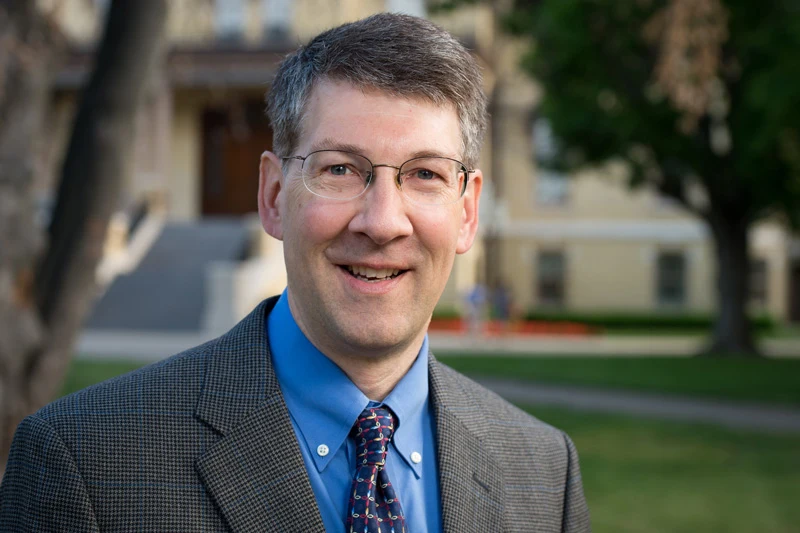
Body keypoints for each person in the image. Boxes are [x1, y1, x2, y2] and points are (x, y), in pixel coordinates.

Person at [0, 13, 590, 533]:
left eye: (425, 175)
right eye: (340, 169)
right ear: (275, 195)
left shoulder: (544, 472)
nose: (383, 222)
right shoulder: (85, 463)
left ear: (466, 213)